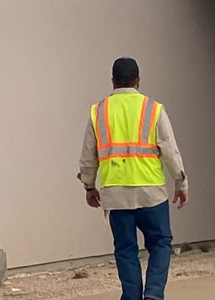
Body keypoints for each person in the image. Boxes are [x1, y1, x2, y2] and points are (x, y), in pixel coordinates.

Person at [78, 57, 189, 300]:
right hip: (151, 192)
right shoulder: (153, 109)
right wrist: (180, 182)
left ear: (113, 81)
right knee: (160, 243)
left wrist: (89, 186)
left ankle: (131, 297)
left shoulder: (99, 111)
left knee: (125, 249)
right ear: (138, 80)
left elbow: (88, 155)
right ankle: (153, 294)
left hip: (115, 194)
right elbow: (170, 150)